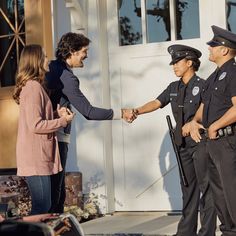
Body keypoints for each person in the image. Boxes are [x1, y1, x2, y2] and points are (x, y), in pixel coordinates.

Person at [130, 44, 216, 236]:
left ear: (190, 63)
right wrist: (136, 111)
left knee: (207, 188)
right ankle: (186, 232)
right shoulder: (173, 87)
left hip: (200, 142)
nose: (174, 66)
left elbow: (206, 110)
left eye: (177, 62)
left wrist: (195, 122)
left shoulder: (203, 86)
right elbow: (156, 102)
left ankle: (207, 232)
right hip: (182, 146)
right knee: (188, 190)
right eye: (173, 63)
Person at [45, 32, 134, 213]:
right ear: (72, 51)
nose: (86, 55)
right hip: (58, 137)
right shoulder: (67, 78)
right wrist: (121, 113)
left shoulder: (51, 68)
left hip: (45, 136)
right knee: (56, 196)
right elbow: (89, 112)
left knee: (52, 194)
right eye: (84, 51)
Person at [13, 45, 75, 215]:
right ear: (36, 61)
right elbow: (35, 125)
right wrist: (62, 121)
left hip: (39, 157)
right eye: (45, 56)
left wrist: (56, 113)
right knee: (42, 208)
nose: (48, 60)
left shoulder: (34, 86)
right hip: (35, 158)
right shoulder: (32, 88)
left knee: (44, 207)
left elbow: (37, 118)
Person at [189, 25, 236, 236]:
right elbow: (202, 109)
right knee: (219, 195)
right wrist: (193, 122)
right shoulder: (212, 78)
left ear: (224, 50)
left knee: (232, 193)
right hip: (212, 144)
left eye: (213, 45)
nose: (209, 48)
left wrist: (216, 125)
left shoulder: (233, 73)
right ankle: (228, 231)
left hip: (228, 142)